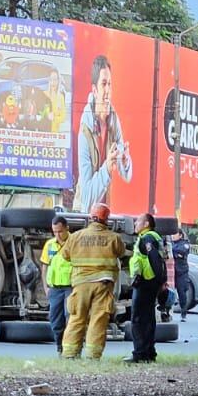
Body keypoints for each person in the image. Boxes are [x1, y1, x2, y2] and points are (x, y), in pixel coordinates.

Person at [60, 203, 128, 361]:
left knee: (77, 317)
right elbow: (121, 253)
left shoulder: (75, 237)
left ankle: (69, 353)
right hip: (103, 284)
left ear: (91, 217)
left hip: (81, 283)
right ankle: (92, 356)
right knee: (98, 318)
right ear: (106, 219)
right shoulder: (114, 238)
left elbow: (65, 255)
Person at [74, 55, 132, 211]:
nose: (107, 91)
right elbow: (87, 198)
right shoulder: (85, 131)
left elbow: (126, 175)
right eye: (104, 84)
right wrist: (107, 167)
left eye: (110, 84)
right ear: (94, 90)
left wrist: (124, 162)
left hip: (104, 212)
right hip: (84, 214)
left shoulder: (113, 120)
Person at [128, 213, 167, 363]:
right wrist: (161, 281)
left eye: (138, 221)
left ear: (146, 224)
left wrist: (159, 281)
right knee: (148, 319)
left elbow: (155, 259)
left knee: (138, 319)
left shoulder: (147, 238)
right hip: (151, 282)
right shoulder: (154, 237)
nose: (135, 224)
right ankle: (149, 352)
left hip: (145, 282)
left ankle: (140, 354)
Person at [40, 216, 73, 355]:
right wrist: (46, 288)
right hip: (54, 289)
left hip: (71, 287)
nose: (57, 235)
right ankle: (59, 347)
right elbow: (44, 266)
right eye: (54, 232)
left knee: (70, 316)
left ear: (67, 228)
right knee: (55, 319)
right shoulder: (50, 244)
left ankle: (70, 348)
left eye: (60, 231)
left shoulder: (74, 243)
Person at [169, 230, 194, 322]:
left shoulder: (184, 243)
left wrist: (173, 251)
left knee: (182, 292)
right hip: (171, 271)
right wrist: (175, 253)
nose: (173, 236)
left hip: (181, 272)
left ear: (180, 235)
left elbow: (182, 251)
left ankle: (183, 313)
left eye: (175, 234)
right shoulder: (170, 243)